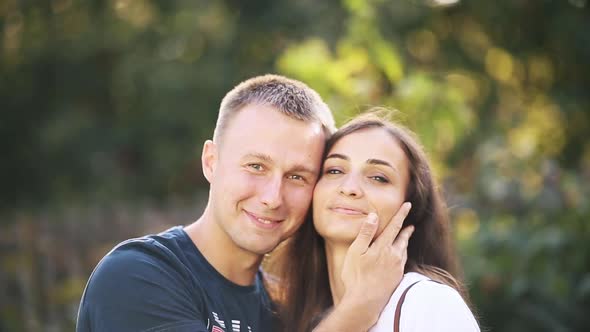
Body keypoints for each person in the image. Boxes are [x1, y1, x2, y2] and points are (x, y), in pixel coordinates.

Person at [76, 75, 415, 332]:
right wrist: (358, 310)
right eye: (256, 167)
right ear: (211, 161)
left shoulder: (288, 310)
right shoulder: (136, 278)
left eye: (297, 176)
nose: (272, 197)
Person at [273, 111, 480, 331]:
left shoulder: (428, 303)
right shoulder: (295, 315)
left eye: (378, 178)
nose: (349, 188)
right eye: (334, 170)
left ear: (410, 205)